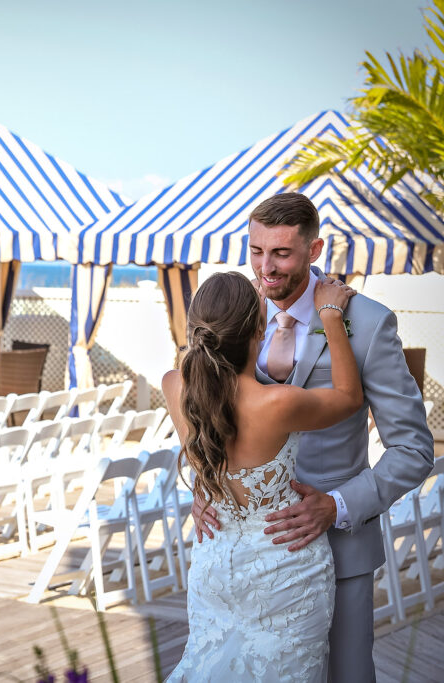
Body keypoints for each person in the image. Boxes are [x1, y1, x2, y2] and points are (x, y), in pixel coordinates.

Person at [190, 192, 435, 682]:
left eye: (281, 253)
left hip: (337, 550)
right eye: (256, 251)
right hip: (242, 559)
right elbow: (203, 413)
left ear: (314, 249)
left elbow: (413, 448)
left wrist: (337, 506)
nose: (265, 268)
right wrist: (204, 485)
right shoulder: (234, 313)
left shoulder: (366, 323)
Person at [162, 270, 361, 681]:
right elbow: (349, 397)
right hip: (284, 571)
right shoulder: (277, 403)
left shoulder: (173, 386)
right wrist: (330, 318)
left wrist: (203, 494)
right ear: (259, 330)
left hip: (214, 562)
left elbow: (207, 464)